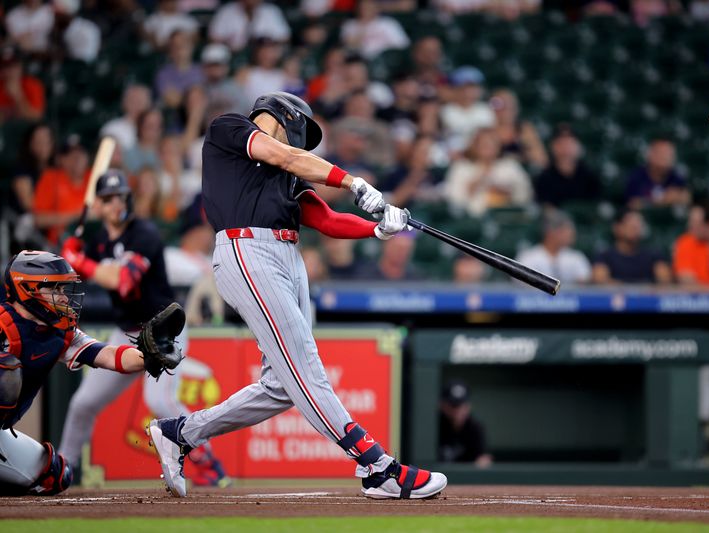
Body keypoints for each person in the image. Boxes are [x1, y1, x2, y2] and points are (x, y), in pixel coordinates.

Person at [147, 92, 447, 500]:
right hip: (247, 248)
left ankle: (179, 433)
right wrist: (354, 181)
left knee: (281, 386)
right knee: (306, 367)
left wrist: (377, 229)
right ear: (286, 117)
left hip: (288, 258)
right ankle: (378, 467)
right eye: (299, 134)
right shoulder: (230, 129)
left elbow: (324, 218)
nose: (299, 143)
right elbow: (283, 155)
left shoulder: (286, 175)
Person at [58, 170, 229, 488]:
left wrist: (78, 260)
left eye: (119, 197)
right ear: (98, 205)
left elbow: (123, 282)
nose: (115, 204)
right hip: (125, 333)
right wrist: (68, 251)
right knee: (83, 403)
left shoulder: (145, 233)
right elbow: (68, 271)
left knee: (161, 402)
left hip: (163, 329)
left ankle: (208, 464)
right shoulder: (97, 243)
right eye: (107, 199)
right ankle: (63, 469)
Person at [0, 251, 161, 495]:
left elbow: (108, 355)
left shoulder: (59, 332)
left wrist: (151, 356)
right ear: (28, 289)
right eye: (55, 289)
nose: (64, 298)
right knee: (6, 370)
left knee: (56, 475)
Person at [443, 127, 532, 216]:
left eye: (492, 143)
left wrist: (508, 192)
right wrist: (472, 187)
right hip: (473, 219)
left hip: (508, 216)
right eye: (484, 144)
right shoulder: (461, 167)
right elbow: (454, 199)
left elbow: (525, 193)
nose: (488, 147)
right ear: (475, 146)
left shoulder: (510, 166)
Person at [32, 136, 90, 244]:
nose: (76, 158)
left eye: (81, 153)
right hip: (61, 245)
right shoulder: (51, 178)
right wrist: (77, 217)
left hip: (93, 241)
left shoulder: (94, 176)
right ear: (61, 159)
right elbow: (38, 219)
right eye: (70, 154)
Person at [592, 209, 672, 284]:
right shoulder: (605, 256)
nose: (635, 228)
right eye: (630, 225)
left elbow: (665, 281)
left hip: (645, 298)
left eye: (638, 225)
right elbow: (600, 281)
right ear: (617, 227)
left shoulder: (653, 255)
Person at [534, 123, 601, 207]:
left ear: (578, 146)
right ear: (553, 146)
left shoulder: (590, 176)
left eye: (570, 142)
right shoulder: (544, 178)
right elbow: (545, 207)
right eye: (561, 143)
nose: (566, 148)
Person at [516, 210, 591, 284]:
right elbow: (519, 284)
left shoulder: (576, 257)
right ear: (550, 232)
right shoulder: (529, 257)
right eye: (563, 231)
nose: (570, 235)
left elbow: (586, 284)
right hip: (536, 296)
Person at [440, 66, 496, 154]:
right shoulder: (446, 110)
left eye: (473, 87)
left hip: (479, 155)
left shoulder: (485, 110)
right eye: (464, 87)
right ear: (455, 89)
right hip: (451, 156)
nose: (469, 92)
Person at [624, 138, 690, 209]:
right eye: (662, 154)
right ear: (650, 155)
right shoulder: (637, 176)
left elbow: (686, 197)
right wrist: (662, 199)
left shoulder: (676, 177)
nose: (666, 158)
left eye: (669, 155)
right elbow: (633, 204)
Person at [438, 381, 492, 467]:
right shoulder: (435, 426)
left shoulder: (475, 427)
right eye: (453, 405)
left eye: (462, 405)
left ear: (468, 406)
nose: (458, 410)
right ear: (442, 405)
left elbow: (484, 459)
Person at [208, 0, 290, 52]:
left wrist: (266, 41)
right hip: (233, 54)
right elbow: (213, 37)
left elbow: (285, 37)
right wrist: (229, 44)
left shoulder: (271, 11)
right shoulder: (226, 11)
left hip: (264, 54)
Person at [340, 0, 410, 60]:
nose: (366, 9)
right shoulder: (349, 25)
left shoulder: (388, 23)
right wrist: (363, 28)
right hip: (360, 61)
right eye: (363, 6)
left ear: (376, 8)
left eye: (369, 6)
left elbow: (402, 46)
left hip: (385, 61)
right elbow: (349, 47)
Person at [154, 30, 203, 110]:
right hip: (175, 117)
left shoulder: (201, 70)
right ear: (170, 51)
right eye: (175, 46)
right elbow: (172, 101)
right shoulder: (163, 74)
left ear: (191, 47)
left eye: (183, 45)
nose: (180, 49)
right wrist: (193, 99)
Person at [200, 43, 249, 116]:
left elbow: (246, 110)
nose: (215, 69)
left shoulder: (234, 86)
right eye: (212, 65)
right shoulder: (200, 88)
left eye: (218, 65)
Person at [100, 85, 153, 151]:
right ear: (124, 103)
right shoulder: (113, 128)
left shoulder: (155, 130)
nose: (137, 106)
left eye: (141, 102)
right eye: (133, 101)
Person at [0, 45, 45, 122]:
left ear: (20, 66)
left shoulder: (32, 85)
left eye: (13, 66)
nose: (9, 71)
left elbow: (35, 120)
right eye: (5, 66)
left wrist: (18, 97)